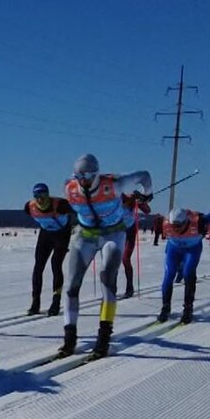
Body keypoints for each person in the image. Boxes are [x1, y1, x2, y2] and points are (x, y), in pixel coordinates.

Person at [57, 154, 152, 359]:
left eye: (88, 177)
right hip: (85, 235)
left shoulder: (115, 184)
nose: (83, 182)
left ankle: (104, 337)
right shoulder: (69, 187)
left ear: (96, 174)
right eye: (79, 177)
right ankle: (69, 337)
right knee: (72, 285)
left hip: (113, 233)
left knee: (107, 280)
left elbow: (144, 175)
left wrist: (147, 194)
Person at [159, 207, 210, 323]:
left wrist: (205, 219)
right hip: (174, 249)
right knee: (169, 274)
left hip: (192, 250)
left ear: (186, 221)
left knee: (188, 273)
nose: (176, 229)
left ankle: (188, 308)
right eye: (173, 226)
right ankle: (165, 306)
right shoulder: (166, 224)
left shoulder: (198, 222)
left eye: (178, 226)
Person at [23, 183, 74, 315]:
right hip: (45, 234)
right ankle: (35, 303)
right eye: (37, 196)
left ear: (48, 194)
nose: (40, 199)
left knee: (55, 264)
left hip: (62, 234)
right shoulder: (29, 207)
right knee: (38, 267)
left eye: (43, 195)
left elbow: (78, 209)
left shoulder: (61, 205)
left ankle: (56, 302)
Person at [119, 192, 153, 298]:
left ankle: (129, 288)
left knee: (125, 259)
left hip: (130, 232)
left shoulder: (130, 199)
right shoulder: (108, 200)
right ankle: (111, 289)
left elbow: (147, 211)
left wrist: (141, 199)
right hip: (116, 233)